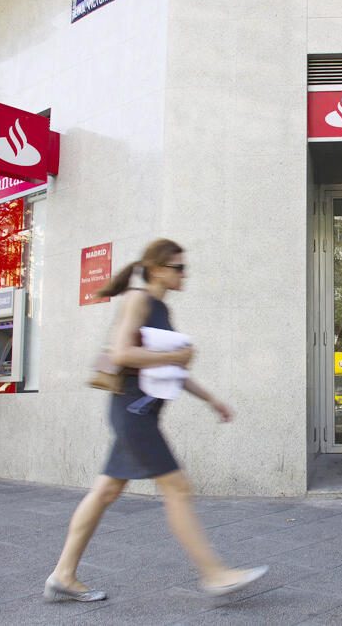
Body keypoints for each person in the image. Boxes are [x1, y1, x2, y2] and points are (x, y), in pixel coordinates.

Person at [44, 239, 267, 602]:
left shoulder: (161, 308)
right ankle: (214, 574)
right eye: (179, 267)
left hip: (140, 410)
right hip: (133, 410)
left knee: (106, 491)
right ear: (158, 269)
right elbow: (121, 352)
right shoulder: (138, 300)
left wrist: (211, 399)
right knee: (177, 487)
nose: (185, 273)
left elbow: (168, 366)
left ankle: (63, 576)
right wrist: (179, 357)